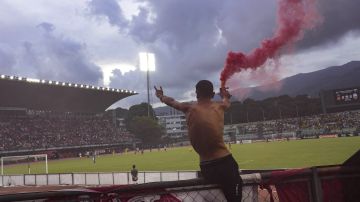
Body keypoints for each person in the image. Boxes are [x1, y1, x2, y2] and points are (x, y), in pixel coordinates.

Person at [154, 80, 242, 201]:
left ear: (196, 93)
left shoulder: (188, 108)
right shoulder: (220, 106)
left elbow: (172, 101)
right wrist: (225, 95)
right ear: (212, 94)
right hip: (225, 162)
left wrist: (160, 96)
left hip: (206, 167)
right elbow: (227, 102)